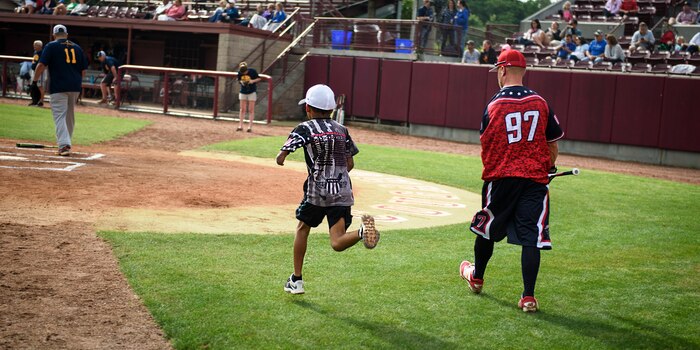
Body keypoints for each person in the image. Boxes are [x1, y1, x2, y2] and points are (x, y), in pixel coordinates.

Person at [460, 49, 564, 313]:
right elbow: (552, 144)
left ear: (503, 70)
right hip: (534, 181)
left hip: (502, 179)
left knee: (486, 228)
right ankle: (528, 297)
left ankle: (477, 277)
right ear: (523, 71)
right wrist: (548, 167)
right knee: (531, 237)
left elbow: (487, 146)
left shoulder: (494, 105)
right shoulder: (541, 102)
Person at [276, 84, 380, 295]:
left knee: (302, 228)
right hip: (342, 191)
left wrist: (282, 157)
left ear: (308, 109)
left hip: (317, 191)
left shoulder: (305, 127)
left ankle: (296, 280)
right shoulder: (342, 130)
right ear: (332, 110)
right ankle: (362, 232)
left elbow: (285, 152)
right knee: (337, 241)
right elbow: (350, 164)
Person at [31, 25, 88, 157]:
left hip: (59, 86)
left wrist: (34, 81)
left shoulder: (51, 46)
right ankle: (66, 142)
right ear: (66, 34)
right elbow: (83, 71)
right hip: (75, 86)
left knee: (60, 116)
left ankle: (63, 145)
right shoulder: (77, 47)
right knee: (69, 115)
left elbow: (41, 65)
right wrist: (76, 82)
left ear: (54, 35)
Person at [236, 62, 261, 132]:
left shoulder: (253, 71)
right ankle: (240, 125)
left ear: (247, 70)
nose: (243, 73)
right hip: (243, 91)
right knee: (242, 109)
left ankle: (250, 126)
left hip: (252, 92)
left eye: (245, 72)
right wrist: (242, 82)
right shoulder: (240, 72)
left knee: (251, 109)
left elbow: (259, 78)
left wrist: (252, 81)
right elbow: (238, 80)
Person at [30, 40, 46, 106]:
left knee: (40, 86)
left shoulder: (42, 53)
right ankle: (34, 101)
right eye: (34, 44)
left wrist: (40, 71)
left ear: (40, 46)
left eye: (35, 45)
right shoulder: (35, 52)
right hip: (34, 71)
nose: (34, 46)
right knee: (34, 86)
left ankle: (41, 101)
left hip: (39, 72)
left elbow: (43, 64)